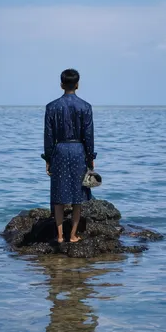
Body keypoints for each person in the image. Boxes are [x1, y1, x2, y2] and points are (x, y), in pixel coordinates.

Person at [43, 68, 97, 243]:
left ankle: (59, 236)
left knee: (58, 196)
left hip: (59, 150)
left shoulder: (51, 107)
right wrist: (91, 158)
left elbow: (49, 136)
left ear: (61, 85)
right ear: (78, 85)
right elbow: (88, 136)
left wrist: (48, 159)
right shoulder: (85, 107)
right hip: (78, 151)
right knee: (77, 196)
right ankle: (72, 235)